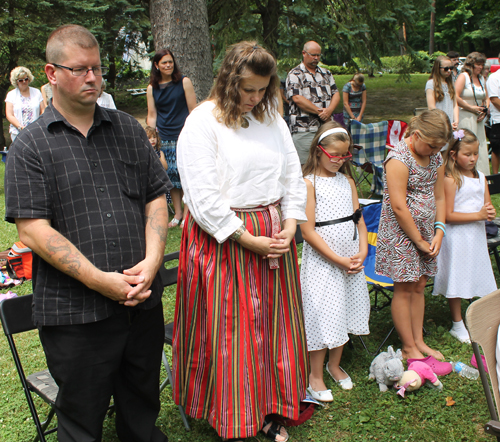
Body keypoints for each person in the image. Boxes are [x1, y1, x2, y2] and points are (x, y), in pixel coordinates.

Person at [4, 24, 171, 442]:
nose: (93, 77)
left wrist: (152, 263)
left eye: (96, 68)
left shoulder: (128, 130)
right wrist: (102, 281)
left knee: (141, 407)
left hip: (141, 303)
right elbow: (32, 230)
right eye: (80, 69)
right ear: (52, 73)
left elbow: (156, 197)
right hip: (74, 313)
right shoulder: (32, 145)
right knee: (81, 419)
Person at [173, 41, 308, 442]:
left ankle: (270, 407)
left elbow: (291, 176)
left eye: (262, 89)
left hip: (273, 232)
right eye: (248, 89)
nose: (255, 98)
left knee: (273, 326)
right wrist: (245, 238)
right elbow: (201, 193)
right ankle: (231, 413)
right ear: (229, 81)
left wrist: (290, 222)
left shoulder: (272, 120)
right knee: (232, 330)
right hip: (226, 236)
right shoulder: (202, 122)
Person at [375, 109, 452, 374]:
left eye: (439, 147)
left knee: (420, 285)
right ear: (417, 135)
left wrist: (438, 231)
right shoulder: (398, 158)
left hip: (427, 232)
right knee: (405, 287)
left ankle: (419, 339)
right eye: (431, 145)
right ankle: (408, 346)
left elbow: (439, 195)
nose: (434, 151)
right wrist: (418, 240)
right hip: (402, 234)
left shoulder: (436, 155)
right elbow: (398, 206)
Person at [300, 122, 370, 402]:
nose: (340, 161)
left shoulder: (348, 181)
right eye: (335, 155)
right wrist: (337, 259)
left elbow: (359, 221)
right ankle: (314, 373)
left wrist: (362, 251)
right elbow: (307, 230)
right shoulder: (308, 183)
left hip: (351, 259)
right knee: (322, 313)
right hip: (324, 262)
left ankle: (334, 364)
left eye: (345, 156)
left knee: (344, 308)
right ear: (319, 152)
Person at [433, 128, 497, 343]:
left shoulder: (479, 176)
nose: (472, 159)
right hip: (457, 237)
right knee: (457, 276)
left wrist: (488, 211)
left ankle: (482, 315)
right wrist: (477, 214)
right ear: (453, 154)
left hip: (476, 235)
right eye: (467, 154)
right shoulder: (451, 179)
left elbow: (484, 202)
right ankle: (457, 323)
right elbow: (447, 215)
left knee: (477, 271)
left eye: (476, 154)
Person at [147, 49, 197, 228]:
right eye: (164, 63)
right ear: (156, 65)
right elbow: (152, 115)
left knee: (185, 174)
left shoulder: (184, 82)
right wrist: (150, 136)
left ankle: (189, 214)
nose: (168, 65)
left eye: (170, 62)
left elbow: (193, 109)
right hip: (164, 137)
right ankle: (177, 214)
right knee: (171, 177)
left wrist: (194, 133)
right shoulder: (152, 88)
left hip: (184, 134)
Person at [286, 41, 340, 164]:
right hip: (304, 129)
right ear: (304, 53)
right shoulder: (295, 74)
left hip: (326, 128)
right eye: (313, 55)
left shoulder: (326, 73)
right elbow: (297, 98)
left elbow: (336, 94)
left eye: (318, 55)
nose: (316, 58)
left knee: (326, 164)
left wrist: (329, 111)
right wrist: (320, 112)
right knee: (305, 166)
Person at [455, 52, 490, 176]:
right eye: (478, 64)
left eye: (482, 65)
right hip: (466, 116)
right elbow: (456, 96)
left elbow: (487, 97)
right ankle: (465, 173)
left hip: (478, 118)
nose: (480, 67)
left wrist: (485, 110)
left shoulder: (481, 78)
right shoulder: (463, 76)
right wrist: (470, 107)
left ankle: (481, 175)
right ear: (471, 64)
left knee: (479, 145)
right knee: (467, 144)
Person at [5, 66, 45, 141]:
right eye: (21, 80)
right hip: (18, 133)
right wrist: (20, 127)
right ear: (16, 81)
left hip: (35, 132)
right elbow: (9, 115)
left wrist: (38, 126)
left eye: (26, 79)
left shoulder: (36, 92)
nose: (24, 82)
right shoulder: (11, 95)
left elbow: (42, 110)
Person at [425, 56, 459, 132]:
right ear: (438, 68)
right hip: (438, 124)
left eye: (451, 68)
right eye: (446, 69)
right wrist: (445, 123)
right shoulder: (431, 83)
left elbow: (455, 104)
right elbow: (431, 107)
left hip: (451, 124)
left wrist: (456, 121)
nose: (449, 71)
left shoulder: (451, 83)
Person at [487, 52, 500, 173]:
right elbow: (494, 99)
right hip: (498, 119)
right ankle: (496, 177)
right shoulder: (494, 77)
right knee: (497, 149)